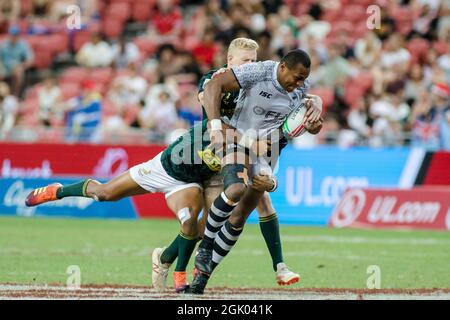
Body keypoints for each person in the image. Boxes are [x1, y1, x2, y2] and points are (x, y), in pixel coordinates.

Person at [24, 116, 275, 293]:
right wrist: (253, 143)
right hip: (161, 169)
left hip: (189, 184)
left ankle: (172, 267)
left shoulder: (242, 145)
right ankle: (58, 191)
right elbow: (215, 107)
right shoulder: (217, 120)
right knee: (104, 193)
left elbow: (253, 173)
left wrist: (268, 180)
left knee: (198, 226)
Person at [152, 38, 302, 292]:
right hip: (210, 156)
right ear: (230, 60)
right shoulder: (215, 79)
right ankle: (168, 258)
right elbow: (217, 118)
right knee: (208, 223)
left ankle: (278, 266)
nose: (250, 66)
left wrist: (311, 104)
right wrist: (249, 141)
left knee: (251, 203)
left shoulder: (253, 85)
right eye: (245, 61)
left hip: (239, 151)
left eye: (254, 61)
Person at [188, 49, 323, 294]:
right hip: (238, 140)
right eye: (298, 77)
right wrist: (216, 127)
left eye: (305, 79)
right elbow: (213, 86)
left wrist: (314, 123)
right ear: (283, 67)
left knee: (239, 217)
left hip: (268, 152)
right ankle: (205, 246)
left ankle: (201, 280)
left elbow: (304, 123)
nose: (301, 83)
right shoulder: (259, 71)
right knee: (236, 188)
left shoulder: (301, 89)